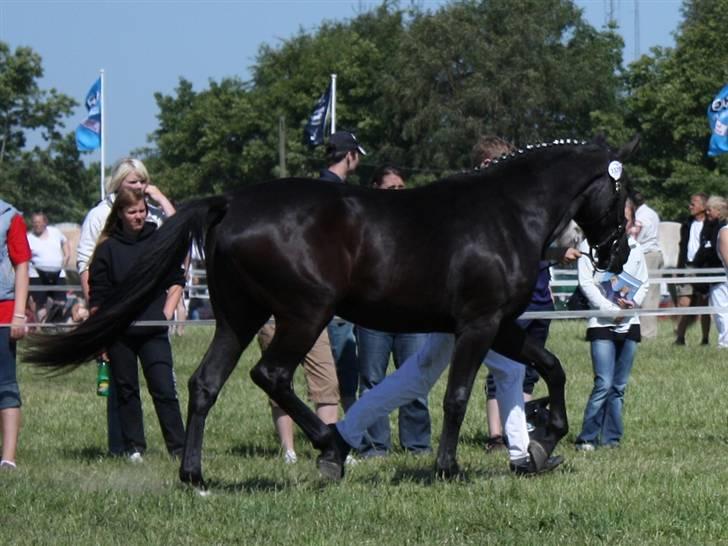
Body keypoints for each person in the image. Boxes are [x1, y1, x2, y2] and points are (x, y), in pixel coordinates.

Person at [473, 137, 581, 451]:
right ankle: (497, 436)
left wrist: (555, 253)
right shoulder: (479, 204)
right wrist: (553, 253)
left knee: (526, 371)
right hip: (504, 300)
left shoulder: (524, 205)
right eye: (493, 163)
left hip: (537, 296)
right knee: (503, 369)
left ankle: (519, 433)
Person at [77, 157, 176, 456]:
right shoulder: (105, 240)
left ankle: (179, 446)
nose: (138, 216)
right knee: (125, 389)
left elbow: (177, 271)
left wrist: (166, 313)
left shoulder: (157, 233)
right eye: (132, 211)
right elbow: (95, 286)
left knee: (164, 388)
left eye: (142, 211)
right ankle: (131, 447)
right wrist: (101, 328)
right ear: (120, 212)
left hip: (151, 325)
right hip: (118, 328)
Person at [355, 166, 430, 456]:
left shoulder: (421, 223)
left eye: (402, 187)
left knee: (415, 380)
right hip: (373, 313)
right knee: (373, 381)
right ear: (376, 189)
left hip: (413, 314)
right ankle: (375, 447)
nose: (399, 193)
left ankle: (418, 445)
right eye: (391, 188)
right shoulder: (363, 225)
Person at [574, 199, 648, 451]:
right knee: (603, 383)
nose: (622, 222)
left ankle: (611, 439)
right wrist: (610, 311)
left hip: (630, 322)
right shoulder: (588, 247)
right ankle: (587, 437)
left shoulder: (637, 248)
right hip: (601, 322)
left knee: (619, 387)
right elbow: (586, 283)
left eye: (626, 217)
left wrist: (633, 303)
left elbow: (644, 283)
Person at [319, 131, 367, 410]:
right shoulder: (338, 195)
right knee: (345, 366)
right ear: (350, 155)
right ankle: (349, 427)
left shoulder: (317, 190)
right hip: (337, 291)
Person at [257, 324, 340, 464]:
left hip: (314, 318)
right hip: (273, 319)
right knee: (278, 385)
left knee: (327, 383)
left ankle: (332, 448)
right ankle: (288, 452)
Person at [0, 198, 30, 470]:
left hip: (3, 310)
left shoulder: (9, 216)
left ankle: (7, 458)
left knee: (5, 384)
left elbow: (22, 264)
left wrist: (19, 314)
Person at [674, 193, 711, 346]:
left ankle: (705, 339)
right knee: (683, 302)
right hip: (687, 267)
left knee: (704, 304)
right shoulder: (687, 224)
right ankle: (680, 338)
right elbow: (682, 247)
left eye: (694, 203)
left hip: (704, 267)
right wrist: (679, 268)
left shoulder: (712, 225)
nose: (690, 206)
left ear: (703, 207)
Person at [630, 191, 663, 339]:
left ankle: (647, 333)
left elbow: (634, 236)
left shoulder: (642, 216)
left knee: (648, 295)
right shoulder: (651, 213)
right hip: (650, 253)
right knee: (647, 294)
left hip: (647, 255)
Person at [27, 212, 70, 319]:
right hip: (36, 274)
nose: (37, 225)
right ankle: (43, 327)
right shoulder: (28, 237)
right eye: (35, 222)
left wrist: (67, 255)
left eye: (39, 222)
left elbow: (65, 242)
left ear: (45, 222)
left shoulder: (55, 232)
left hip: (58, 272)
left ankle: (58, 325)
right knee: (40, 304)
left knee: (60, 302)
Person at [701, 196, 728, 347]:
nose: (707, 213)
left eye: (709, 210)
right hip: (716, 274)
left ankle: (725, 342)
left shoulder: (720, 228)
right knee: (720, 309)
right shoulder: (712, 226)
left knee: (722, 310)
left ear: (719, 210)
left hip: (720, 274)